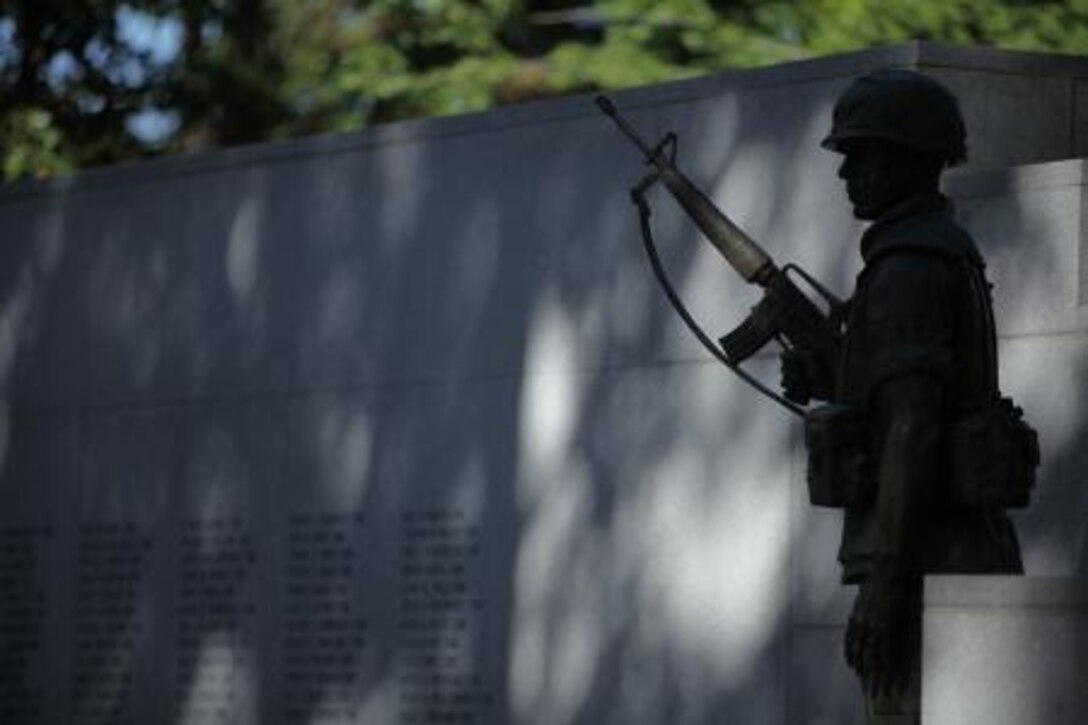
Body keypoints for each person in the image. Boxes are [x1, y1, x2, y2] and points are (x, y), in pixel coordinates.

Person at [782, 69, 1026, 725]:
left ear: (914, 158)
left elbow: (911, 431)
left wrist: (887, 584)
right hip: (949, 557)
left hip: (923, 570)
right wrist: (834, 377)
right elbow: (905, 407)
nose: (847, 173)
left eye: (864, 154)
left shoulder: (907, 268)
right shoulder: (939, 255)